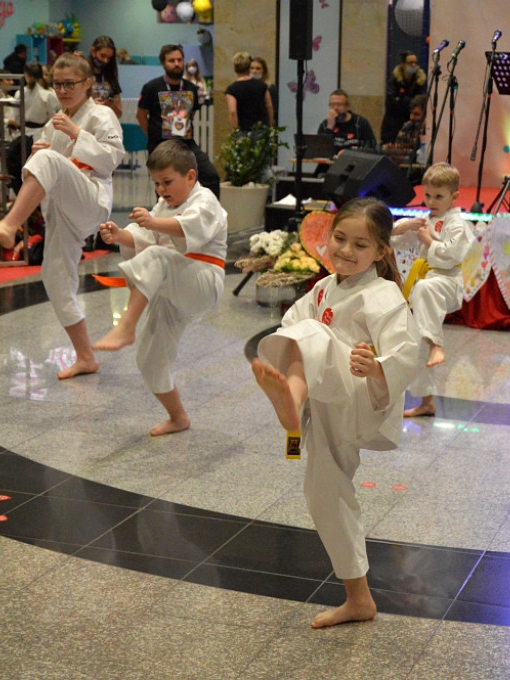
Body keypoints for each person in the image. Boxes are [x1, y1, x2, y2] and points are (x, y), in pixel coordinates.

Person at [251, 197, 421, 628]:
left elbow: (406, 351)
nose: (345, 250)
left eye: (359, 245)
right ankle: (358, 598)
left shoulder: (383, 295)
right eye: (339, 239)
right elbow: (292, 327)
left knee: (311, 334)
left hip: (359, 395)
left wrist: (376, 365)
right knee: (323, 495)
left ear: (382, 251)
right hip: (326, 401)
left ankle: (291, 399)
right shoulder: (325, 287)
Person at [0, 53, 124, 380]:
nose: (62, 90)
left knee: (48, 160)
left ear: (88, 84)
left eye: (70, 84)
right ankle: (85, 357)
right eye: (57, 84)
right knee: (56, 280)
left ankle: (9, 224)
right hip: (63, 207)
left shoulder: (101, 115)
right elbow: (45, 166)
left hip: (91, 197)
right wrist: (39, 153)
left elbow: (112, 159)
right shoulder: (55, 118)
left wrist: (76, 134)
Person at [92, 141, 227, 436]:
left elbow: (183, 229)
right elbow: (145, 236)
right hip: (173, 284)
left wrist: (154, 221)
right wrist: (120, 235)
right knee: (150, 359)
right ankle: (178, 417)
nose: (161, 190)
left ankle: (126, 326)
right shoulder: (164, 205)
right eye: (156, 183)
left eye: (167, 182)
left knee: (158, 258)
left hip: (203, 280)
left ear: (191, 176)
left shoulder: (205, 201)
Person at [392, 163, 474, 418]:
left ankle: (437, 343)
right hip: (426, 285)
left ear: (454, 196)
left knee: (425, 288)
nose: (431, 201)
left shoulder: (457, 224)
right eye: (427, 195)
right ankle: (427, 401)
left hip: (446, 282)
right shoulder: (426, 220)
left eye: (438, 196)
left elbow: (451, 255)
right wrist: (404, 228)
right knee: (416, 345)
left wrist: (428, 241)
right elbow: (397, 241)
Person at [138, 44, 221, 197]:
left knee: (211, 176)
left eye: (179, 60)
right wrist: (152, 134)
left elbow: (192, 113)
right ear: (163, 63)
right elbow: (141, 115)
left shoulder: (191, 88)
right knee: (166, 186)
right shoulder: (152, 87)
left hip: (186, 143)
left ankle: (209, 214)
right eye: (171, 60)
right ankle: (164, 219)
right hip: (161, 144)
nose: (176, 64)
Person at [6, 61, 60, 193]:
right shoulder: (48, 94)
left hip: (23, 134)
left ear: (26, 75)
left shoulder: (20, 93)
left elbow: (18, 118)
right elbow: (54, 116)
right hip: (41, 134)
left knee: (21, 167)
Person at [380, 50, 426, 144]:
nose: (413, 65)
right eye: (410, 63)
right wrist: (410, 101)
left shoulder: (420, 82)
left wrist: (401, 99)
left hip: (411, 127)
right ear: (403, 64)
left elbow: (421, 102)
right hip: (393, 126)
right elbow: (391, 103)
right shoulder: (394, 81)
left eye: (415, 63)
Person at [224, 51, 273, 133]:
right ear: (248, 68)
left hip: (244, 131)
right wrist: (270, 125)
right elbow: (269, 106)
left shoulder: (232, 89)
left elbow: (233, 112)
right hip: (261, 130)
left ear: (235, 68)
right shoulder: (262, 86)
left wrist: (235, 131)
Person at [317, 89, 377, 154]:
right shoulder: (325, 124)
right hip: (331, 163)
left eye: (339, 105)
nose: (335, 108)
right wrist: (329, 127)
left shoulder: (360, 123)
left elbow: (372, 148)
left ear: (348, 106)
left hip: (353, 162)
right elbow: (319, 151)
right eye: (332, 105)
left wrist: (350, 153)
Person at [88, 35, 123, 118]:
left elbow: (119, 113)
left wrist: (110, 105)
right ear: (93, 51)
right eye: (102, 56)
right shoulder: (82, 74)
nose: (105, 60)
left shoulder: (111, 77)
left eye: (109, 58)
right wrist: (91, 104)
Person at [250, 56, 278, 124]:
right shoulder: (246, 87)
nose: (254, 71)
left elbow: (275, 109)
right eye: (252, 68)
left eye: (258, 69)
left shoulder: (270, 87)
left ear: (264, 71)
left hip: (264, 124)